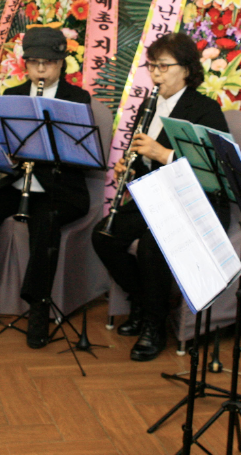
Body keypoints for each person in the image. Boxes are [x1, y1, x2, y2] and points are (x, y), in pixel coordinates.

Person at [0, 26, 90, 348]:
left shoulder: (77, 99)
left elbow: (81, 154)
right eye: (34, 62)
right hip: (19, 180)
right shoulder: (13, 95)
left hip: (61, 187)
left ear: (61, 63)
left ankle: (38, 306)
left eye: (48, 63)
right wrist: (5, 152)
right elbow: (1, 143)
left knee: (46, 221)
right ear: (26, 64)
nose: (41, 70)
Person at [91, 32, 229, 361]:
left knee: (154, 245)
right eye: (152, 66)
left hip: (195, 203)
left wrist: (163, 154)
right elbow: (145, 160)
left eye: (163, 66)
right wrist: (131, 166)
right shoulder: (149, 105)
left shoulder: (205, 109)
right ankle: (141, 302)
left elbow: (215, 169)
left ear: (187, 70)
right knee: (103, 236)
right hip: (156, 196)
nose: (155, 74)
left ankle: (154, 324)